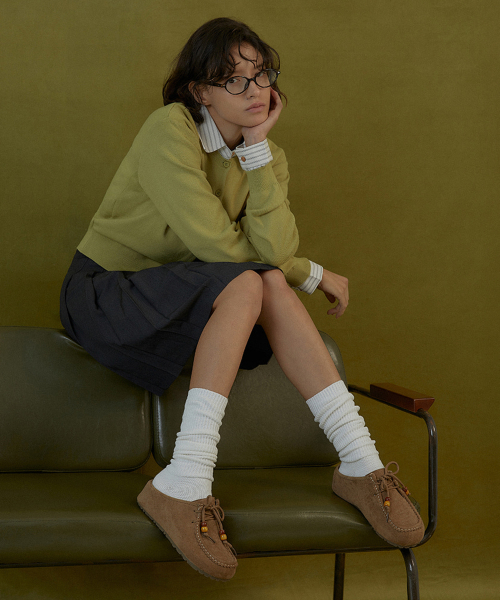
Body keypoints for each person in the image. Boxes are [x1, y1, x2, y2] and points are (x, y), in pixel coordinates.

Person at [60, 17, 424, 582]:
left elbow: (273, 251)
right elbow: (215, 243)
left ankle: (360, 462)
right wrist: (311, 273)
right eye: (233, 79)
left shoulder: (267, 157)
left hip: (190, 296)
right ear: (199, 91)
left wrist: (256, 152)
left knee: (264, 280)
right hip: (110, 293)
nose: (254, 90)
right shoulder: (170, 128)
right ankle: (186, 478)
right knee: (255, 279)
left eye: (262, 75)